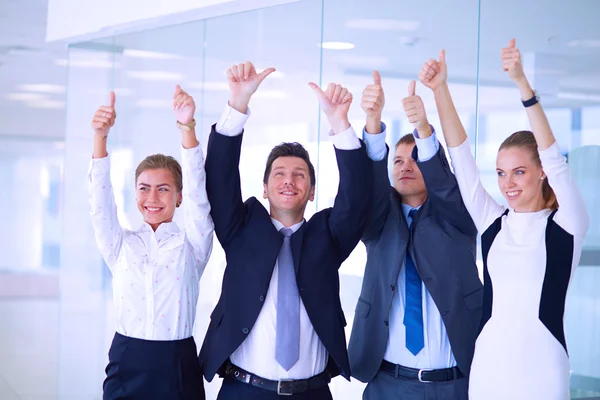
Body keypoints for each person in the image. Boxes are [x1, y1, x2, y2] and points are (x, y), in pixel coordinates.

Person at [419, 40, 590, 400]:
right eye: (500, 173)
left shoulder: (566, 225)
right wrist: (440, 91)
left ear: (542, 173)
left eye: (518, 172)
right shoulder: (493, 223)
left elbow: (554, 157)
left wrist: (523, 86)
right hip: (488, 369)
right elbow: (462, 161)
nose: (506, 184)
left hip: (543, 370)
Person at [198, 61, 371, 399]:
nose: (288, 180)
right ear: (264, 188)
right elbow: (218, 179)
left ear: (311, 191)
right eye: (278, 173)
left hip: (312, 392)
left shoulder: (329, 235)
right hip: (243, 390)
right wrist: (238, 104)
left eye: (299, 175)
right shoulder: (241, 228)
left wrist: (339, 124)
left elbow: (357, 199)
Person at [348, 71, 481, 400]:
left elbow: (447, 187)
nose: (405, 166)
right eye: (398, 161)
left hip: (455, 384)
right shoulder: (378, 221)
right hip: (388, 383)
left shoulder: (459, 215)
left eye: (415, 159)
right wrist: (373, 121)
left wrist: (423, 127)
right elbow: (372, 189)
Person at [89, 86, 214, 400]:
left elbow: (200, 196)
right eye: (144, 188)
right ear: (135, 194)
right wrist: (100, 138)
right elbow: (100, 203)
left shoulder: (192, 246)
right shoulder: (120, 246)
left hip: (177, 364)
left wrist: (187, 127)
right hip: (126, 361)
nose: (152, 198)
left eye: (163, 189)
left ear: (178, 196)